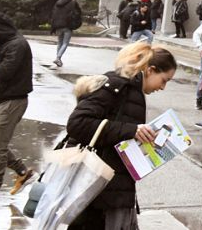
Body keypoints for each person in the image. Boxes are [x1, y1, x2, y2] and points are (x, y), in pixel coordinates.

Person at [63, 42, 177, 230]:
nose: (163, 87)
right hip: (98, 188)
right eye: (164, 80)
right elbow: (77, 123)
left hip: (109, 188)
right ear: (150, 70)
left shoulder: (131, 89)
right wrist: (132, 130)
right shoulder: (118, 86)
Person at [0, 12, 34, 217]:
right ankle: (22, 172)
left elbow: (4, 72)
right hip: (4, 101)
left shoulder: (17, 45)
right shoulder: (5, 42)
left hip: (13, 101)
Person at [49, 0, 83, 68]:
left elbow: (53, 14)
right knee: (65, 43)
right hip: (67, 26)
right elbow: (78, 12)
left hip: (58, 26)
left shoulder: (58, 2)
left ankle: (58, 59)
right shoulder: (73, 2)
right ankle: (58, 58)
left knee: (60, 43)